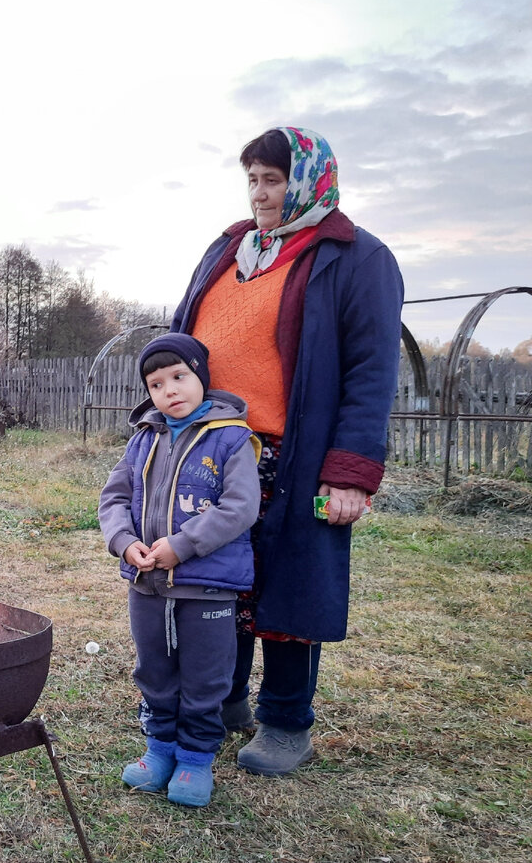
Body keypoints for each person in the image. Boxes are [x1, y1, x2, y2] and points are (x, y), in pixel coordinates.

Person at [172, 126, 403, 776]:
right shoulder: (228, 248)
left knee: (291, 587)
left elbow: (370, 373)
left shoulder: (356, 257)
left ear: (306, 180)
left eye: (273, 179)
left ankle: (284, 722)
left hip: (293, 452)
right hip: (214, 447)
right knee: (218, 579)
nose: (260, 193)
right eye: (252, 179)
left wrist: (351, 472)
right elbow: (183, 334)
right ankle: (224, 701)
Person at [99, 333, 261, 806]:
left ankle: (194, 759)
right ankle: (160, 750)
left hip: (207, 585)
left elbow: (240, 507)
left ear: (201, 379)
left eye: (179, 377)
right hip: (147, 582)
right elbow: (112, 499)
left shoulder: (231, 438)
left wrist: (182, 546)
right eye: (156, 383)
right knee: (153, 670)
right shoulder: (142, 440)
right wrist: (125, 544)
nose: (169, 390)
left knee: (205, 677)